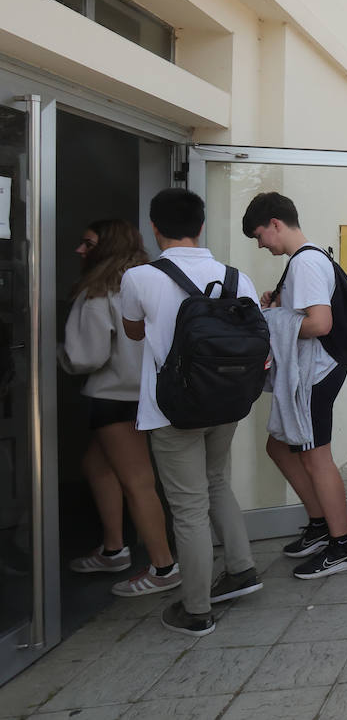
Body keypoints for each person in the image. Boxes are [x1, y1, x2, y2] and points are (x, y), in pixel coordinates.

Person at [120, 189, 262, 635]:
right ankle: (241, 569)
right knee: (217, 481)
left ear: (154, 227)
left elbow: (134, 332)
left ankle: (196, 609)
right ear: (201, 226)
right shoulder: (238, 278)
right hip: (226, 403)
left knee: (187, 506)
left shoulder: (139, 277)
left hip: (172, 410)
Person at [241, 192, 347, 579]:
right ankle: (319, 524)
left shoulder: (306, 263)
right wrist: (279, 311)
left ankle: (342, 544)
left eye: (260, 235)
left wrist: (272, 322)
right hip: (316, 372)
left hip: (316, 374)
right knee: (279, 446)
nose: (261, 244)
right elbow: (305, 315)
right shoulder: (306, 259)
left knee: (315, 457)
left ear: (276, 223)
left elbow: (319, 324)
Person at [60, 219, 179, 598]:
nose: (80, 250)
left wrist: (56, 357)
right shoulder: (154, 280)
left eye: (88, 243)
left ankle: (163, 566)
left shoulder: (98, 291)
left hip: (115, 398)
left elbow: (85, 356)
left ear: (107, 247)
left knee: (137, 482)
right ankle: (113, 548)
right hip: (154, 394)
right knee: (97, 466)